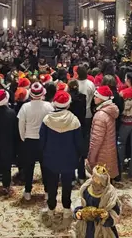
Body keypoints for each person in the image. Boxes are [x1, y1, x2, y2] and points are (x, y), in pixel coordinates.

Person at [40, 90, 83, 225]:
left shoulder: (47, 120)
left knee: (51, 185)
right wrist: (80, 156)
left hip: (50, 158)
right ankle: (66, 208)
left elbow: (42, 141)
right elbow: (79, 143)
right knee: (67, 185)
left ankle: (51, 208)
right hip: (69, 159)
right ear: (68, 104)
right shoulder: (74, 120)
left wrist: (42, 155)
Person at [17, 82, 54, 201]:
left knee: (29, 167)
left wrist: (24, 138)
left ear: (31, 95)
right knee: (46, 167)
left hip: (29, 141)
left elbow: (21, 125)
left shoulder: (25, 107)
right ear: (42, 94)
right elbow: (52, 124)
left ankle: (28, 191)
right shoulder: (49, 106)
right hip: (45, 141)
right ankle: (48, 191)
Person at [73, 164, 121, 238]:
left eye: (99, 180)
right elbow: (80, 201)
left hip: (102, 227)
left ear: (104, 181)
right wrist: (78, 212)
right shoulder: (86, 188)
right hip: (86, 224)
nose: (95, 181)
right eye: (94, 177)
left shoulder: (110, 193)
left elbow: (115, 211)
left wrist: (107, 216)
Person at [87, 85, 119, 179]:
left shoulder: (100, 115)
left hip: (101, 154)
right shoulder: (110, 110)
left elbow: (96, 140)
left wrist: (91, 157)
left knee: (100, 182)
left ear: (102, 99)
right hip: (109, 150)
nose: (94, 98)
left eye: (96, 96)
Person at [68, 79, 88, 182]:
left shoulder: (68, 99)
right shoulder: (83, 97)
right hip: (81, 126)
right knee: (80, 151)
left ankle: (71, 177)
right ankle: (81, 176)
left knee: (70, 151)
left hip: (70, 127)